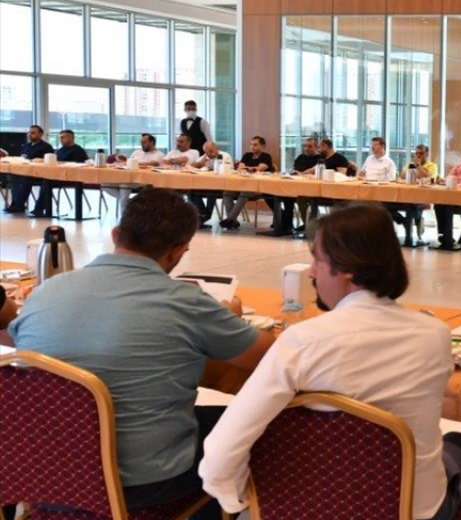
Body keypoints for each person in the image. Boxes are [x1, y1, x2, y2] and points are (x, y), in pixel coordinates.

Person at [199, 203, 461, 520]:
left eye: (317, 260)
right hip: (410, 511)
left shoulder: (302, 342)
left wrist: (243, 504)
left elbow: (219, 457)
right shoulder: (436, 336)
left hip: (299, 510)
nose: (311, 272)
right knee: (458, 445)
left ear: (347, 269)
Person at [11, 188, 272, 519]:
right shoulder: (186, 302)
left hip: (41, 473)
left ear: (115, 234)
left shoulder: (45, 291)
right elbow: (270, 357)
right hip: (143, 484)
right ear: (177, 252)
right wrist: (230, 319)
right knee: (249, 429)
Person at [267, 137, 323, 237]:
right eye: (305, 146)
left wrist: (302, 173)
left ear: (316, 147)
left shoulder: (320, 159)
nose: (306, 148)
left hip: (311, 188)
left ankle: (306, 225)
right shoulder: (300, 157)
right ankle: (287, 224)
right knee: (277, 195)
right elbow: (295, 169)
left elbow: (316, 171)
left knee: (297, 198)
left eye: (310, 146)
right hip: (295, 185)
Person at [219, 136, 277, 230]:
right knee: (227, 191)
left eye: (255, 145)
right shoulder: (247, 155)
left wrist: (247, 168)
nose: (252, 147)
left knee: (246, 191)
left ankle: (230, 219)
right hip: (242, 184)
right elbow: (240, 168)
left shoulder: (266, 156)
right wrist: (250, 168)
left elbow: (259, 169)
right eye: (251, 144)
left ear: (262, 146)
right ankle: (233, 221)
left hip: (258, 187)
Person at [102, 133, 167, 215]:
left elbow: (153, 163)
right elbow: (128, 162)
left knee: (124, 185)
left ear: (152, 142)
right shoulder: (137, 152)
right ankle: (130, 201)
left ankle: (124, 215)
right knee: (104, 184)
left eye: (144, 142)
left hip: (143, 180)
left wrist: (134, 163)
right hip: (127, 177)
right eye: (141, 142)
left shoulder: (159, 154)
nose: (142, 144)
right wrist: (122, 162)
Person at [30, 129, 89, 218]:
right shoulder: (61, 150)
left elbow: (79, 166)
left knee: (47, 182)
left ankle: (39, 209)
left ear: (71, 138)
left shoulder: (78, 150)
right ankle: (41, 209)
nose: (61, 140)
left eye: (63, 137)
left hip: (71, 177)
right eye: (60, 138)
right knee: (45, 180)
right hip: (59, 176)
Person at [2, 125, 54, 215]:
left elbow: (49, 162)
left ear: (40, 134)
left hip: (39, 174)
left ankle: (19, 205)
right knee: (14, 177)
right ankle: (17, 204)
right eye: (29, 133)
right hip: (25, 172)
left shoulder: (46, 147)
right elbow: (22, 157)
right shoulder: (26, 146)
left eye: (33, 133)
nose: (30, 134)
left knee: (24, 180)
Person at [191, 141, 234, 227]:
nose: (209, 154)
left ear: (217, 148)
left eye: (211, 151)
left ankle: (205, 215)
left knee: (212, 190)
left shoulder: (225, 155)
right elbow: (192, 167)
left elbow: (229, 169)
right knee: (191, 190)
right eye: (206, 152)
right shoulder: (205, 157)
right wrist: (202, 162)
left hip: (222, 185)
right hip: (206, 184)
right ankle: (203, 213)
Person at [403, 144, 440, 239]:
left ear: (427, 154)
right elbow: (401, 176)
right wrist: (411, 167)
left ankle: (414, 222)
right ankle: (414, 220)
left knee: (411, 205)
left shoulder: (432, 166)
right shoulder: (411, 164)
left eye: (421, 153)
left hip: (424, 197)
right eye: (417, 153)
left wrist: (418, 166)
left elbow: (429, 179)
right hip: (408, 195)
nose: (418, 155)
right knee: (391, 205)